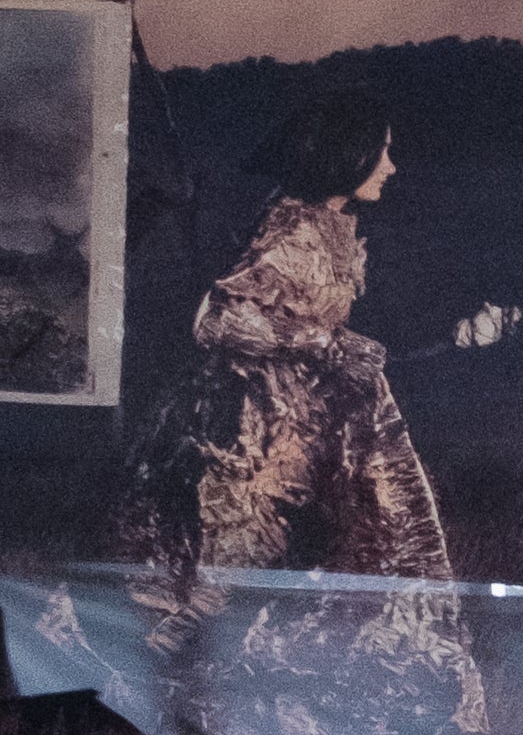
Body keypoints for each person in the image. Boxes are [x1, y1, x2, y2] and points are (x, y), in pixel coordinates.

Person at [129, 90, 454, 579]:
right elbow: (216, 318)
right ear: (349, 154)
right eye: (382, 151)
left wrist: (450, 335)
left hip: (300, 435)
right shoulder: (293, 226)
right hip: (248, 438)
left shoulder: (329, 225)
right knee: (226, 574)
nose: (390, 166)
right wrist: (328, 346)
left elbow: (318, 316)